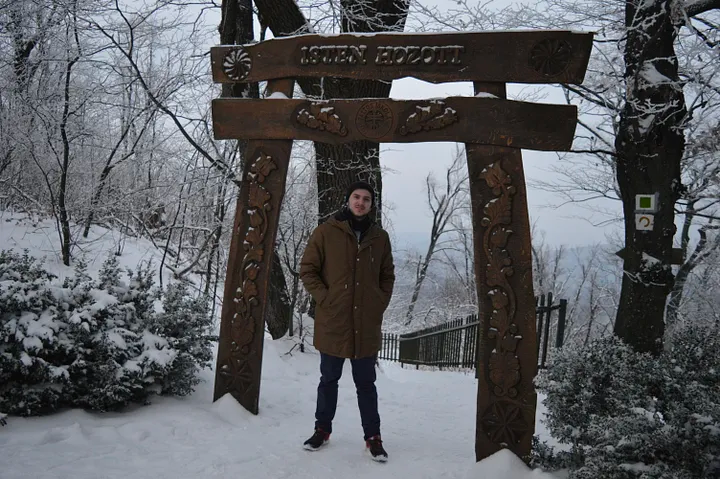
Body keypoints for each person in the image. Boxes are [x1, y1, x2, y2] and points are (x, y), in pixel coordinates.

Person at [299, 181, 395, 462]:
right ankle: (321, 430)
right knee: (328, 380)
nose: (361, 202)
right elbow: (308, 270)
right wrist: (325, 299)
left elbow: (387, 275)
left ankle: (373, 437)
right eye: (356, 197)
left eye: (366, 199)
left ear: (371, 204)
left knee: (366, 384)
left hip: (365, 325)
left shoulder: (380, 237)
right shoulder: (326, 232)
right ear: (348, 199)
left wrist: (379, 302)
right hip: (334, 322)